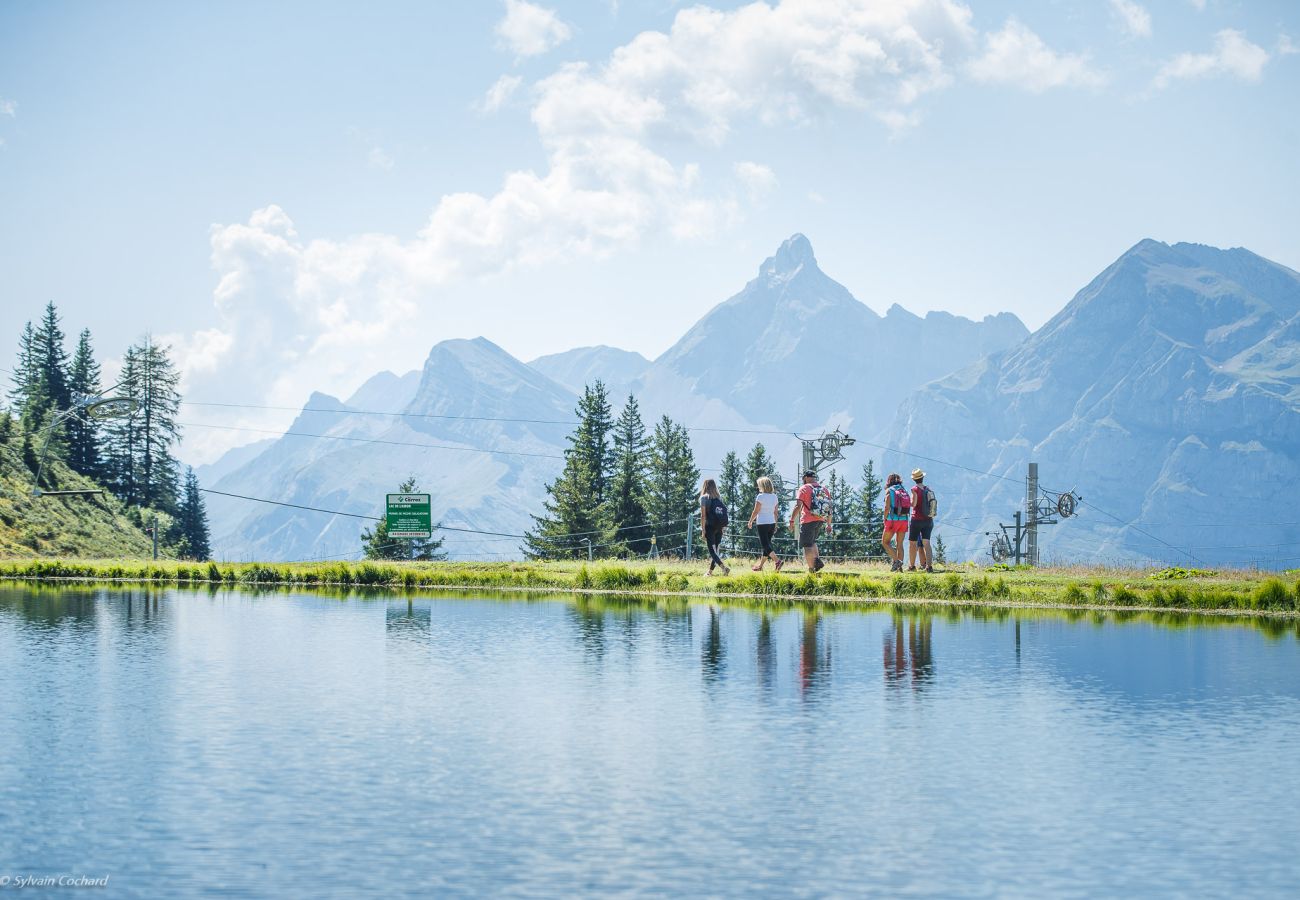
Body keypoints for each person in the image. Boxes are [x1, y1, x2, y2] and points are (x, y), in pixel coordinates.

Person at [788, 468, 831, 573]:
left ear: (806, 478)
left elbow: (798, 506)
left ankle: (812, 569)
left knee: (806, 545)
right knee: (812, 542)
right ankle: (817, 561)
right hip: (820, 519)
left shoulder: (804, 488)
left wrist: (792, 521)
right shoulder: (824, 489)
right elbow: (829, 508)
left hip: (808, 520)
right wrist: (829, 524)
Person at [746, 475, 783, 572]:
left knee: (765, 545)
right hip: (771, 523)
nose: (758, 487)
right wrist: (775, 524)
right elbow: (776, 512)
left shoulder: (760, 496)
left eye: (759, 485)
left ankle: (777, 561)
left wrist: (750, 521)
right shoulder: (774, 496)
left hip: (762, 523)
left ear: (763, 486)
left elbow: (756, 511)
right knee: (768, 545)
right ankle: (760, 566)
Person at [699, 478, 730, 576]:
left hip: (710, 527)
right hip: (719, 527)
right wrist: (722, 528)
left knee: (712, 551)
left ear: (705, 486)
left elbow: (703, 516)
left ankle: (724, 568)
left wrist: (703, 530)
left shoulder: (704, 498)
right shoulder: (719, 498)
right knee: (716, 550)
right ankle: (710, 572)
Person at [907, 468, 934, 573]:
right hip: (928, 520)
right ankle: (929, 567)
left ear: (914, 479)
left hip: (916, 520)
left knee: (912, 543)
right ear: (922, 478)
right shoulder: (928, 489)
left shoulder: (914, 489)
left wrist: (909, 501)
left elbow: (913, 504)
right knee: (927, 543)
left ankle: (912, 566)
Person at [882, 472, 910, 572]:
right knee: (900, 545)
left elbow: (886, 507)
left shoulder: (889, 491)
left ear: (889, 481)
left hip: (893, 520)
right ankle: (900, 568)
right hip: (904, 520)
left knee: (885, 542)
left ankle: (896, 561)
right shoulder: (903, 490)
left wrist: (884, 518)